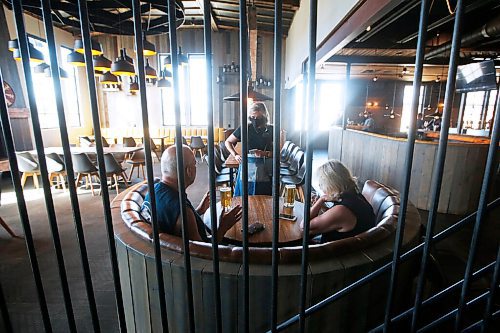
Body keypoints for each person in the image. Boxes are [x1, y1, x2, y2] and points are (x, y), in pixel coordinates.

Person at [142, 145, 242, 242]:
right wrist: (223, 228)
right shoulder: (183, 211)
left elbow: (174, 224)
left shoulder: (153, 190)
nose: (196, 167)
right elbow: (202, 251)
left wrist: (198, 211)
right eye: (195, 164)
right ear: (189, 171)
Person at [301, 160, 375, 243]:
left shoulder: (341, 210)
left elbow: (304, 226)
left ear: (331, 184)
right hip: (356, 247)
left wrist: (321, 200)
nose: (320, 186)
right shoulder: (356, 195)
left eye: (322, 183)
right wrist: (323, 207)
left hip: (336, 253)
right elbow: (336, 221)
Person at [225, 102, 274, 195]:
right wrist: (235, 155)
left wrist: (264, 153)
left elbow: (278, 153)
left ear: (264, 116)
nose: (255, 120)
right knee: (244, 193)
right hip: (246, 165)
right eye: (252, 118)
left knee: (263, 196)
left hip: (265, 166)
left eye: (258, 118)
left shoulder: (271, 129)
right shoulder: (245, 128)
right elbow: (228, 142)